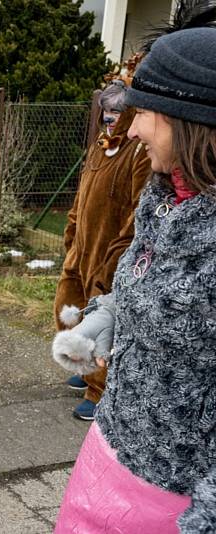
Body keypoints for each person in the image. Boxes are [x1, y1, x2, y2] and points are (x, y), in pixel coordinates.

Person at [53, 26, 216, 532]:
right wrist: (108, 314)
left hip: (174, 497)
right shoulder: (164, 195)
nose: (130, 130)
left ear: (191, 121)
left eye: (142, 113)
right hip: (111, 447)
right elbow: (142, 284)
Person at [53, 80, 151, 421]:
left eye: (116, 113)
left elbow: (138, 209)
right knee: (69, 310)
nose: (109, 119)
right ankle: (83, 370)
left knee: (102, 324)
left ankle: (101, 390)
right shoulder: (99, 145)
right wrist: (71, 231)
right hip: (81, 247)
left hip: (108, 253)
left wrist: (116, 258)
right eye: (105, 112)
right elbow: (82, 193)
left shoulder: (138, 152)